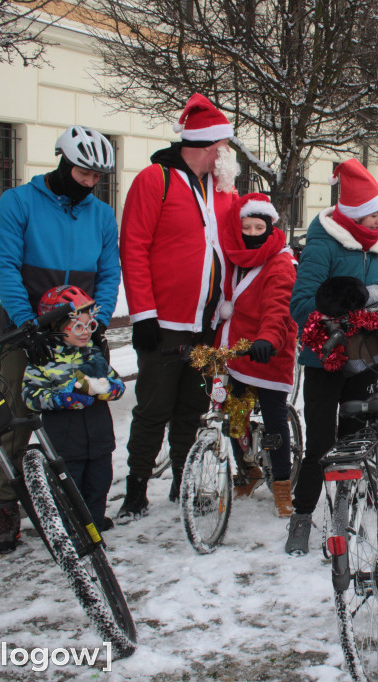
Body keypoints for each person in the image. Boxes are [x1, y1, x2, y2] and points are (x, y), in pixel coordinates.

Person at [0, 125, 119, 554]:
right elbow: (4, 265)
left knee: (81, 411)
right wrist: (27, 326)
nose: (90, 182)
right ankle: (6, 505)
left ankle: (77, 500)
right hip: (25, 323)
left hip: (79, 327)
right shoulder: (18, 202)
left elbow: (108, 272)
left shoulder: (100, 214)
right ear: (63, 161)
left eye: (98, 177)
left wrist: (95, 323)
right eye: (84, 173)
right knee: (16, 414)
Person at [118, 93, 239, 521]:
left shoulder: (223, 191)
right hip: (164, 323)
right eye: (223, 146)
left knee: (192, 407)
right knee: (153, 409)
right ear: (207, 146)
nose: (227, 154)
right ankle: (135, 488)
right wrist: (143, 314)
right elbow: (133, 248)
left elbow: (237, 245)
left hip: (206, 322)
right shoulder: (156, 180)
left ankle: (182, 482)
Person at [287, 159, 378, 555]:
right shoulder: (323, 244)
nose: (377, 220)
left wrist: (367, 299)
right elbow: (301, 304)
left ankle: (345, 514)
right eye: (371, 214)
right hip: (324, 359)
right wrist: (334, 312)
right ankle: (301, 517)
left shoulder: (375, 249)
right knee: (319, 444)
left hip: (363, 357)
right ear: (350, 214)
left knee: (355, 438)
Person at [214, 192, 298, 517]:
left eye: (257, 227)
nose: (251, 234)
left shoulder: (280, 262)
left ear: (269, 226)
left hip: (268, 353)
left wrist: (268, 338)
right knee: (235, 417)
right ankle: (248, 472)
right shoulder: (233, 258)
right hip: (237, 354)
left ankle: (282, 488)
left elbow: (279, 306)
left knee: (274, 425)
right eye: (246, 227)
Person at [22, 286, 125, 530]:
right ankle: (71, 531)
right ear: (57, 327)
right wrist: (59, 399)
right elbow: (30, 396)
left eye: (90, 326)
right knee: (70, 489)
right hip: (66, 444)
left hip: (99, 439)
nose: (86, 333)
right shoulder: (44, 361)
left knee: (99, 484)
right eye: (78, 327)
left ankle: (94, 523)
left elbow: (117, 383)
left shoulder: (94, 355)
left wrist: (109, 389)